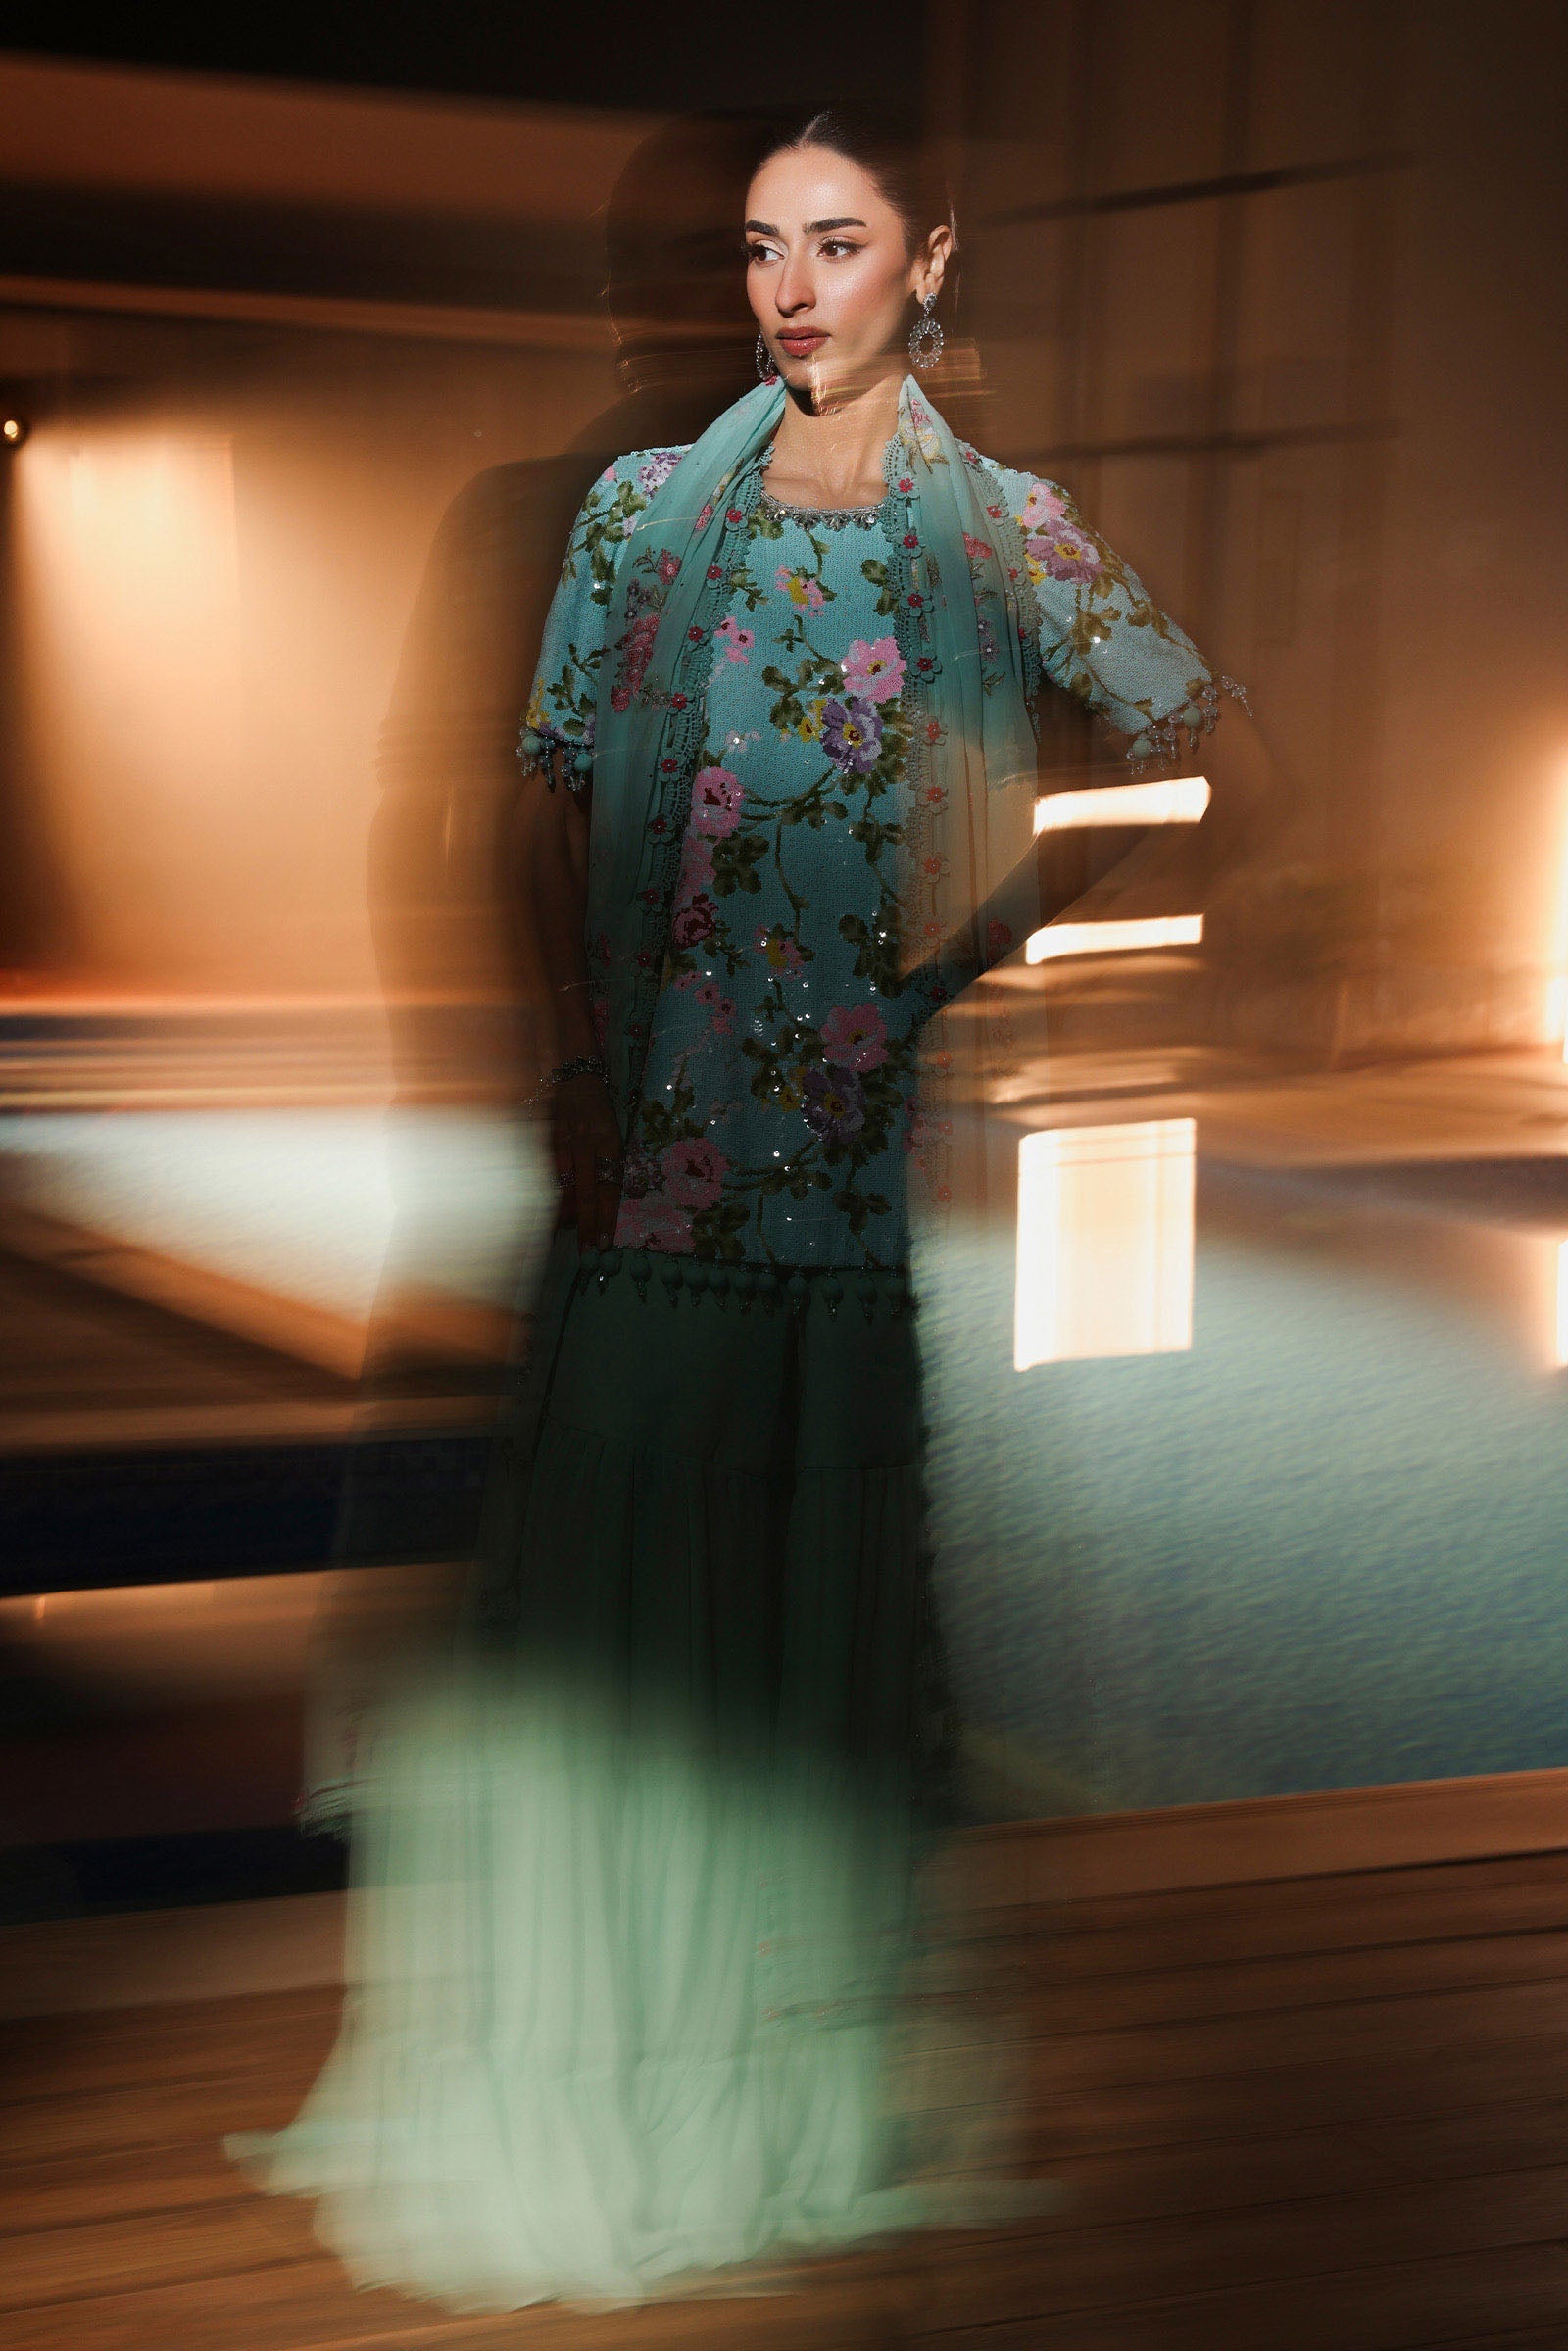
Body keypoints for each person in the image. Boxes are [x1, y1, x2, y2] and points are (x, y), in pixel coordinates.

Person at [234, 106, 1267, 2311]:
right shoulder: (641, 511)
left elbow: (1217, 764)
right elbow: (542, 803)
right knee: (610, 1656)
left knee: (786, 1672)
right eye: (760, 248)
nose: (791, 289)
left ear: (929, 259)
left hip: (836, 1179)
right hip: (644, 1166)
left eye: (838, 243)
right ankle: (593, 2079)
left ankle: (762, 2092)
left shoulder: (1001, 532)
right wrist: (574, 1059)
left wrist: (969, 942)